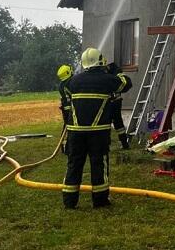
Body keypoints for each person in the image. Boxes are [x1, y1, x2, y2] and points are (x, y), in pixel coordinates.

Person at [61, 48, 132, 209]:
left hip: (75, 132)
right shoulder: (107, 80)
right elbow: (126, 83)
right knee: (98, 164)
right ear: (100, 61)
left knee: (74, 164)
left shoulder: (73, 81)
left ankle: (69, 201)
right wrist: (116, 72)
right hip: (97, 132)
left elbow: (66, 90)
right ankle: (100, 200)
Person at [107, 62, 131, 149]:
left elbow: (127, 83)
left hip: (111, 103)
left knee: (107, 122)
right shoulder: (115, 76)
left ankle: (107, 144)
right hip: (116, 103)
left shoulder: (115, 76)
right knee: (118, 123)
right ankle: (124, 143)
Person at [56, 64, 73, 153]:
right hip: (70, 109)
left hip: (65, 109)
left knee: (66, 127)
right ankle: (67, 148)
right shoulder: (69, 84)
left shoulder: (61, 85)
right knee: (70, 128)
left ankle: (64, 146)